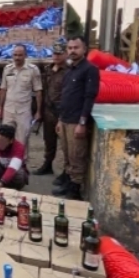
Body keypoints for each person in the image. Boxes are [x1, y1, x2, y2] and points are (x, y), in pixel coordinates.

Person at [52, 36, 100, 200]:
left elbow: (89, 97)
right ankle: (67, 182)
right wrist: (59, 120)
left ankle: (75, 190)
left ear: (84, 49)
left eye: (76, 47)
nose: (72, 51)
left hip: (76, 122)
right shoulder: (70, 70)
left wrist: (82, 122)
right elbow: (64, 97)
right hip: (65, 119)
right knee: (67, 154)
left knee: (77, 156)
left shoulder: (90, 70)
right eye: (70, 48)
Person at [0, 44, 42, 156]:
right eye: (15, 55)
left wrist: (38, 111)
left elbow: (38, 91)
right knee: (4, 137)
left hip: (24, 111)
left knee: (22, 140)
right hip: (8, 110)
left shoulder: (33, 70)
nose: (17, 58)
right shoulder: (7, 69)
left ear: (25, 55)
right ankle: (6, 163)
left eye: (20, 55)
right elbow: (3, 89)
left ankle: (21, 164)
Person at [33, 40, 68, 177]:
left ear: (65, 54)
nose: (56, 56)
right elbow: (42, 91)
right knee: (49, 141)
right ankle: (47, 165)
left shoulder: (68, 71)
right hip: (48, 111)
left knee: (65, 144)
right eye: (54, 53)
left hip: (62, 112)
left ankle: (66, 172)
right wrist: (39, 111)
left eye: (59, 54)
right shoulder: (48, 70)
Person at [0, 124, 29, 190]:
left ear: (11, 141)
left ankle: (14, 188)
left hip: (15, 172)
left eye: (2, 141)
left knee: (20, 175)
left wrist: (2, 182)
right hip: (2, 169)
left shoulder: (19, 147)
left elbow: (13, 167)